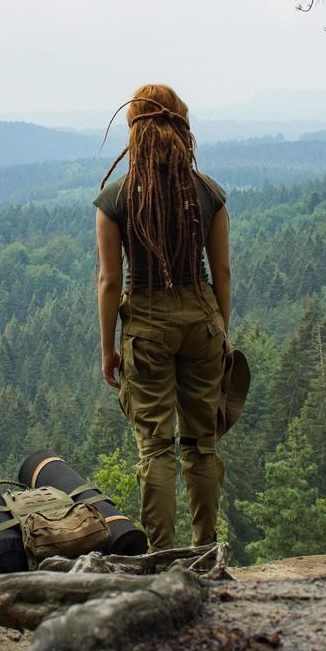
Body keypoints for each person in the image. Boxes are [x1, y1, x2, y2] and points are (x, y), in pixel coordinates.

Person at [94, 83, 230, 549]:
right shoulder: (207, 192)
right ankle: (206, 546)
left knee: (155, 447)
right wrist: (223, 332)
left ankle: (163, 554)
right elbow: (222, 271)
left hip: (147, 326)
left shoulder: (117, 198)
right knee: (201, 442)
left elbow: (110, 280)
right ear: (180, 127)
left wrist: (108, 347)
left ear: (135, 132)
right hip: (202, 320)